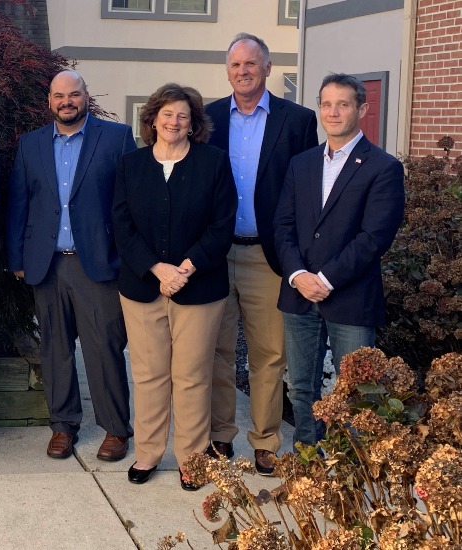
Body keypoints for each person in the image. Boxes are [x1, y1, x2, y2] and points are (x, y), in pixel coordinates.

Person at [5, 70, 135, 461]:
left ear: (85, 97)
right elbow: (19, 204)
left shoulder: (116, 138)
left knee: (104, 348)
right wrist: (18, 259)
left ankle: (115, 428)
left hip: (97, 264)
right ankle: (63, 426)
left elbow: (131, 204)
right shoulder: (30, 145)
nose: (67, 101)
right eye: (59, 95)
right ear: (49, 101)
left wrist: (127, 259)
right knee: (55, 349)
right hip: (46, 266)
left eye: (74, 94)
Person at [205, 32, 319, 475]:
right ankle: (220, 434)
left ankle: (266, 440)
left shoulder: (297, 120)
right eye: (235, 65)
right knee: (216, 350)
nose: (243, 71)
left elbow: (307, 191)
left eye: (251, 64)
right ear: (228, 70)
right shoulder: (209, 117)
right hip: (214, 254)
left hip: (267, 256)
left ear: (268, 68)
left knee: (269, 353)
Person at [113, 83, 236, 490]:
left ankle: (192, 459)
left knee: (192, 376)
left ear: (193, 124)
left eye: (183, 115)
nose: (174, 121)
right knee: (148, 375)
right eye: (167, 114)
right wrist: (157, 268)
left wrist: (183, 268)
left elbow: (222, 225)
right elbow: (122, 226)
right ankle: (147, 454)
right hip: (142, 288)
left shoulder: (214, 163)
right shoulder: (131, 165)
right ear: (152, 119)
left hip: (199, 288)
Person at [275, 73, 405, 446]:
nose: (333, 112)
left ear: (362, 109)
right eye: (326, 104)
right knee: (301, 387)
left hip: (350, 296)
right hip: (299, 293)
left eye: (343, 104)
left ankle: (351, 469)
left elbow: (374, 237)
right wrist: (299, 274)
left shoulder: (382, 167)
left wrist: (326, 279)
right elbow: (283, 225)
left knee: (357, 393)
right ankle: (308, 459)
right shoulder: (302, 163)